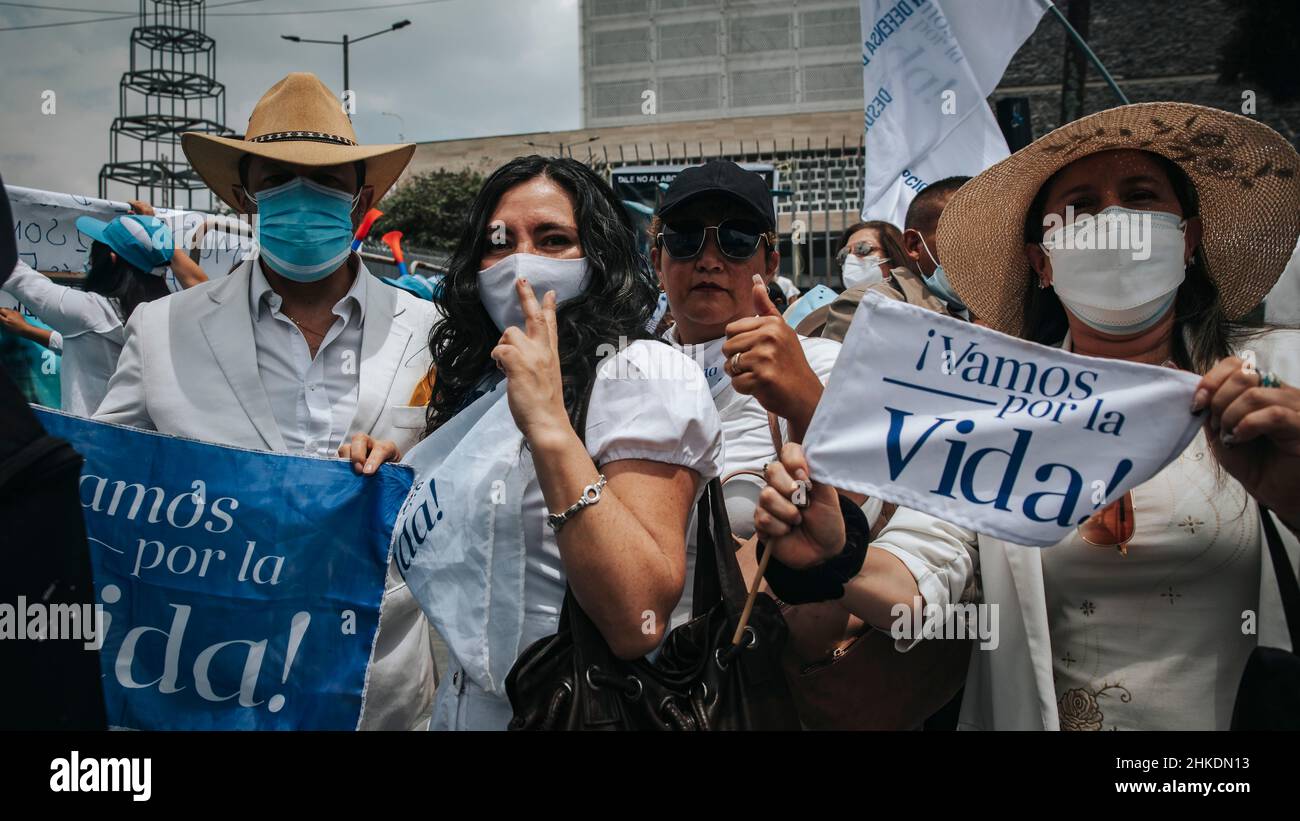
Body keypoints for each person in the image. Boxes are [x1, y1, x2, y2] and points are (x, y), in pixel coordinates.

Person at [755, 102, 1300, 731]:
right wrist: (833, 552)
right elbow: (920, 575)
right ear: (1042, 262)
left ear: (1189, 237)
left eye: (1140, 195)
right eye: (1080, 208)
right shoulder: (991, 416)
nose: (1113, 221)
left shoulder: (1279, 379)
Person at [94, 72, 440, 730]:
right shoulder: (163, 330)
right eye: (278, 178)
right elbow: (104, 488)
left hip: (378, 690)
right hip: (211, 684)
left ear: (361, 196)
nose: (301, 197)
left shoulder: (426, 331)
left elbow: (457, 485)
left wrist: (404, 468)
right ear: (246, 196)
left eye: (327, 181)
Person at [345, 155, 724, 731]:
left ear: (598, 259)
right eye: (501, 242)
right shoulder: (485, 387)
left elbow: (637, 619)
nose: (522, 261)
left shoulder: (641, 373)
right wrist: (407, 472)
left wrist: (549, 427)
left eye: (553, 240)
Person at [2, 211, 181, 416]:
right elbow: (89, 344)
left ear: (111, 260)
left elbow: (22, 280)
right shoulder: (167, 313)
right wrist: (28, 330)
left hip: (86, 437)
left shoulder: (91, 311)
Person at [821, 176, 970, 342]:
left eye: (862, 249)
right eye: (844, 254)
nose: (851, 259)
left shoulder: (998, 309)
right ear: (913, 245)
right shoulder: (865, 306)